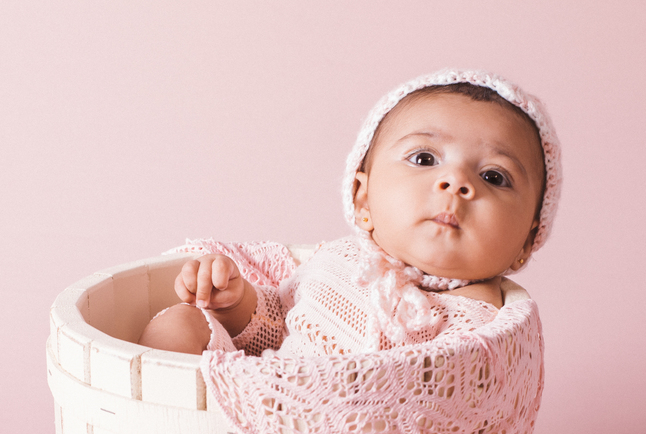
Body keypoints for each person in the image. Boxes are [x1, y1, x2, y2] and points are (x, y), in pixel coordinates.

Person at [139, 69, 560, 361]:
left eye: (493, 176)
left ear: (527, 240)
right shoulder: (340, 261)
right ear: (363, 200)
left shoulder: (488, 325)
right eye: (424, 158)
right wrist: (235, 303)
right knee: (179, 324)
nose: (456, 182)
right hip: (260, 400)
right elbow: (280, 322)